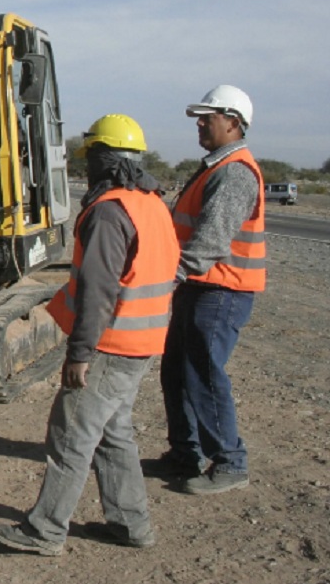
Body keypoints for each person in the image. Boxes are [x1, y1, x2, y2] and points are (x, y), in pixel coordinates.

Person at [0, 114, 179, 556]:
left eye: (91, 157)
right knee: (114, 434)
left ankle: (46, 531)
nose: (87, 167)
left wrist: (80, 353)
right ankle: (131, 524)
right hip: (142, 343)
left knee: (70, 436)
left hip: (110, 346)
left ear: (105, 158)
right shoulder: (150, 203)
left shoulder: (109, 212)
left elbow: (98, 291)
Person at [158, 85, 264, 495]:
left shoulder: (234, 171)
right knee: (177, 374)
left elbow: (211, 241)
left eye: (209, 117)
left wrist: (170, 277)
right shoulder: (213, 166)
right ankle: (186, 454)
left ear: (233, 123)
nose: (200, 124)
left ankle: (230, 463)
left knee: (203, 375)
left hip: (221, 291)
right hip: (200, 288)